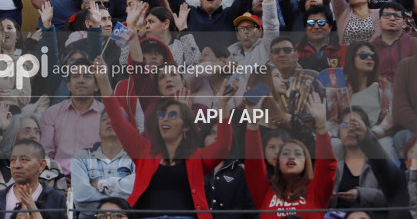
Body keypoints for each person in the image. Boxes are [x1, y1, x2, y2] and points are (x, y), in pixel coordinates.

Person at [97, 53, 233, 217]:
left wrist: (223, 105)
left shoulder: (196, 157)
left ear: (186, 127)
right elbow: (118, 121)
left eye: (173, 115)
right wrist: (104, 80)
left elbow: (223, 146)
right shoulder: (143, 151)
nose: (165, 119)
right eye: (162, 115)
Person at [245, 91, 335, 219]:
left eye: (298, 154)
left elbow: (327, 166)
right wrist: (253, 123)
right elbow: (253, 165)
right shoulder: (265, 191)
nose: (291, 157)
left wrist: (321, 125)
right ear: (278, 163)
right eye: (285, 153)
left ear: (306, 162)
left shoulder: (316, 191)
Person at [0, 139, 67, 219]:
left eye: (24, 159)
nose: (16, 165)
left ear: (41, 165)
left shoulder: (57, 201)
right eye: (13, 160)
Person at [70, 111, 135, 215]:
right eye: (105, 119)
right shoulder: (81, 157)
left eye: (116, 119)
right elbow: (81, 198)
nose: (109, 121)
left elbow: (139, 192)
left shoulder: (137, 159)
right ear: (99, 131)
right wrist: (121, 198)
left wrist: (103, 185)